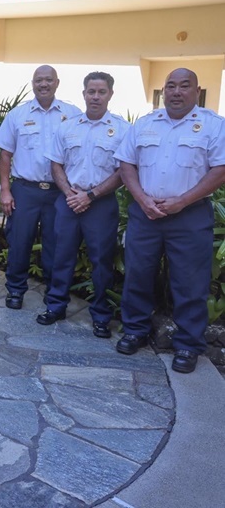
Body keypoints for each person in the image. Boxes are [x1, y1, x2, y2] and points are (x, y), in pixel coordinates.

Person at [114, 68, 225, 374]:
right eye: (170, 86)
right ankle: (135, 330)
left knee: (190, 282)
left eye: (184, 86)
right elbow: (126, 163)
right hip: (145, 213)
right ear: (163, 91)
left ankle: (188, 345)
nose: (176, 92)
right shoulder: (146, 123)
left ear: (196, 90)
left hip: (189, 216)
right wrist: (142, 199)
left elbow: (220, 169)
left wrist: (181, 202)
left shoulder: (213, 126)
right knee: (138, 273)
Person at [38, 72, 129, 337]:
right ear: (84, 94)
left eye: (101, 92)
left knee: (101, 261)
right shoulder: (68, 126)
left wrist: (90, 196)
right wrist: (69, 193)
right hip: (68, 201)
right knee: (61, 256)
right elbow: (56, 163)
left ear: (110, 94)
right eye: (91, 92)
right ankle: (56, 306)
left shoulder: (122, 129)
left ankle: (100, 315)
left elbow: (124, 171)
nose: (96, 97)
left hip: (101, 204)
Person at [0, 65, 82, 310]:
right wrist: (5, 189)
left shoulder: (73, 114)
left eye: (48, 80)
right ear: (33, 83)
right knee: (19, 242)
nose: (44, 84)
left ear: (57, 83)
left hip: (59, 191)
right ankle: (15, 290)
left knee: (56, 244)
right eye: (39, 80)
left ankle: (53, 293)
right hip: (26, 189)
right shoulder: (18, 115)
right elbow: (5, 155)